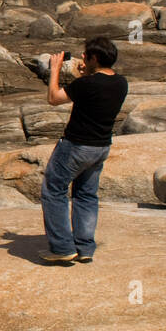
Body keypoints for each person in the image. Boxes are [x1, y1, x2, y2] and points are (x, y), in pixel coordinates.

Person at [40, 37, 128, 264]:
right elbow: (94, 92)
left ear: (94, 58)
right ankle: (85, 246)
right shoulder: (121, 83)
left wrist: (55, 69)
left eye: (85, 56)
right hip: (100, 148)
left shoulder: (87, 84)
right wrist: (86, 73)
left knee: (54, 190)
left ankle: (62, 247)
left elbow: (53, 98)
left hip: (76, 146)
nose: (82, 59)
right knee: (86, 195)